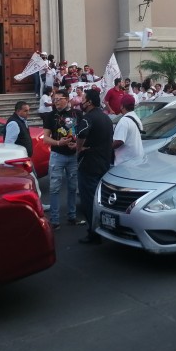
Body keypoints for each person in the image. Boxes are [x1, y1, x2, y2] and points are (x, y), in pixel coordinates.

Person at [76, 89, 113, 244]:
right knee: (101, 199)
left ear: (89, 102)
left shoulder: (87, 119)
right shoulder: (106, 118)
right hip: (104, 162)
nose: (80, 102)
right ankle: (103, 228)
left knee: (89, 199)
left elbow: (81, 137)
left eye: (83, 99)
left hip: (89, 164)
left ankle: (94, 232)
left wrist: (79, 148)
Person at [42, 89, 82, 229]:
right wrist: (59, 143)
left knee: (72, 187)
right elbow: (45, 138)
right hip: (57, 155)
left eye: (59, 99)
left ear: (67, 99)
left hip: (72, 156)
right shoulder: (50, 116)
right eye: (54, 99)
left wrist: (75, 144)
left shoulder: (76, 114)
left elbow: (80, 133)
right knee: (54, 188)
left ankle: (72, 216)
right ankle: (55, 220)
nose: (56, 102)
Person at [112, 94, 144, 167]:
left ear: (122, 106)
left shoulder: (124, 120)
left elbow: (119, 141)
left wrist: (107, 148)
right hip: (136, 160)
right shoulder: (136, 118)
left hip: (125, 162)